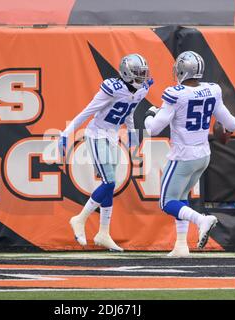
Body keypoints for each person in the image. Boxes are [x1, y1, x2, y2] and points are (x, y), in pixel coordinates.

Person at [144, 51, 235, 257]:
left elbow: (153, 130)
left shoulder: (176, 93)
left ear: (181, 70)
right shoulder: (212, 90)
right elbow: (232, 124)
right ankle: (181, 245)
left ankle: (201, 220)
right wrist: (226, 134)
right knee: (180, 197)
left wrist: (149, 114)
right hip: (203, 156)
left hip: (183, 156)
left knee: (167, 202)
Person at [59, 53, 152, 251]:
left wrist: (132, 133)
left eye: (143, 73)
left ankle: (103, 233)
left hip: (113, 135)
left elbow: (130, 111)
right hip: (97, 133)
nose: (142, 78)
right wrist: (67, 131)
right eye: (138, 74)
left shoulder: (141, 90)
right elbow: (88, 110)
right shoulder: (112, 88)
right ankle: (80, 219)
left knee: (109, 184)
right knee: (109, 181)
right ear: (126, 74)